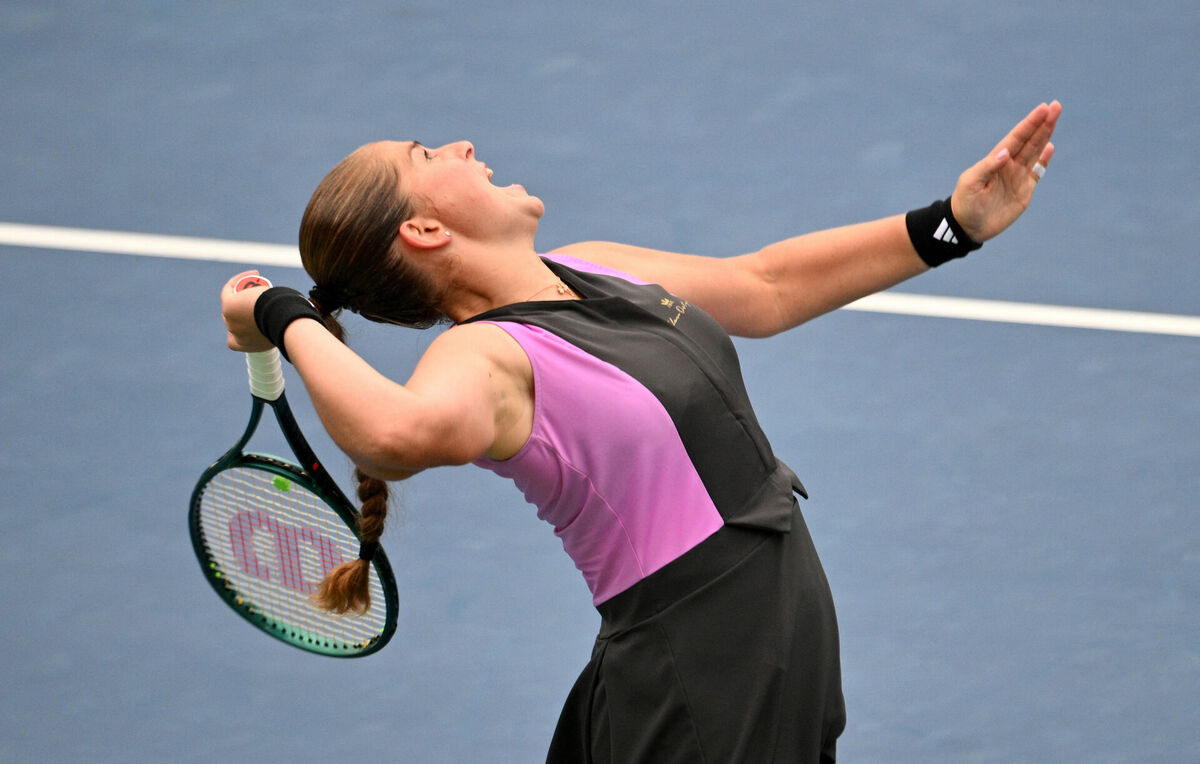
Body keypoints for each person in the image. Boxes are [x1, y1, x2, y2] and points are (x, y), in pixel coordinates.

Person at [221, 101, 1061, 762]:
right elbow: (392, 434)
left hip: (769, 630)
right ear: (425, 230)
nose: (462, 145)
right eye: (427, 157)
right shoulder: (485, 358)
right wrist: (279, 312)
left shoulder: (589, 266)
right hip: (700, 665)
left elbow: (763, 287)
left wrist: (954, 225)